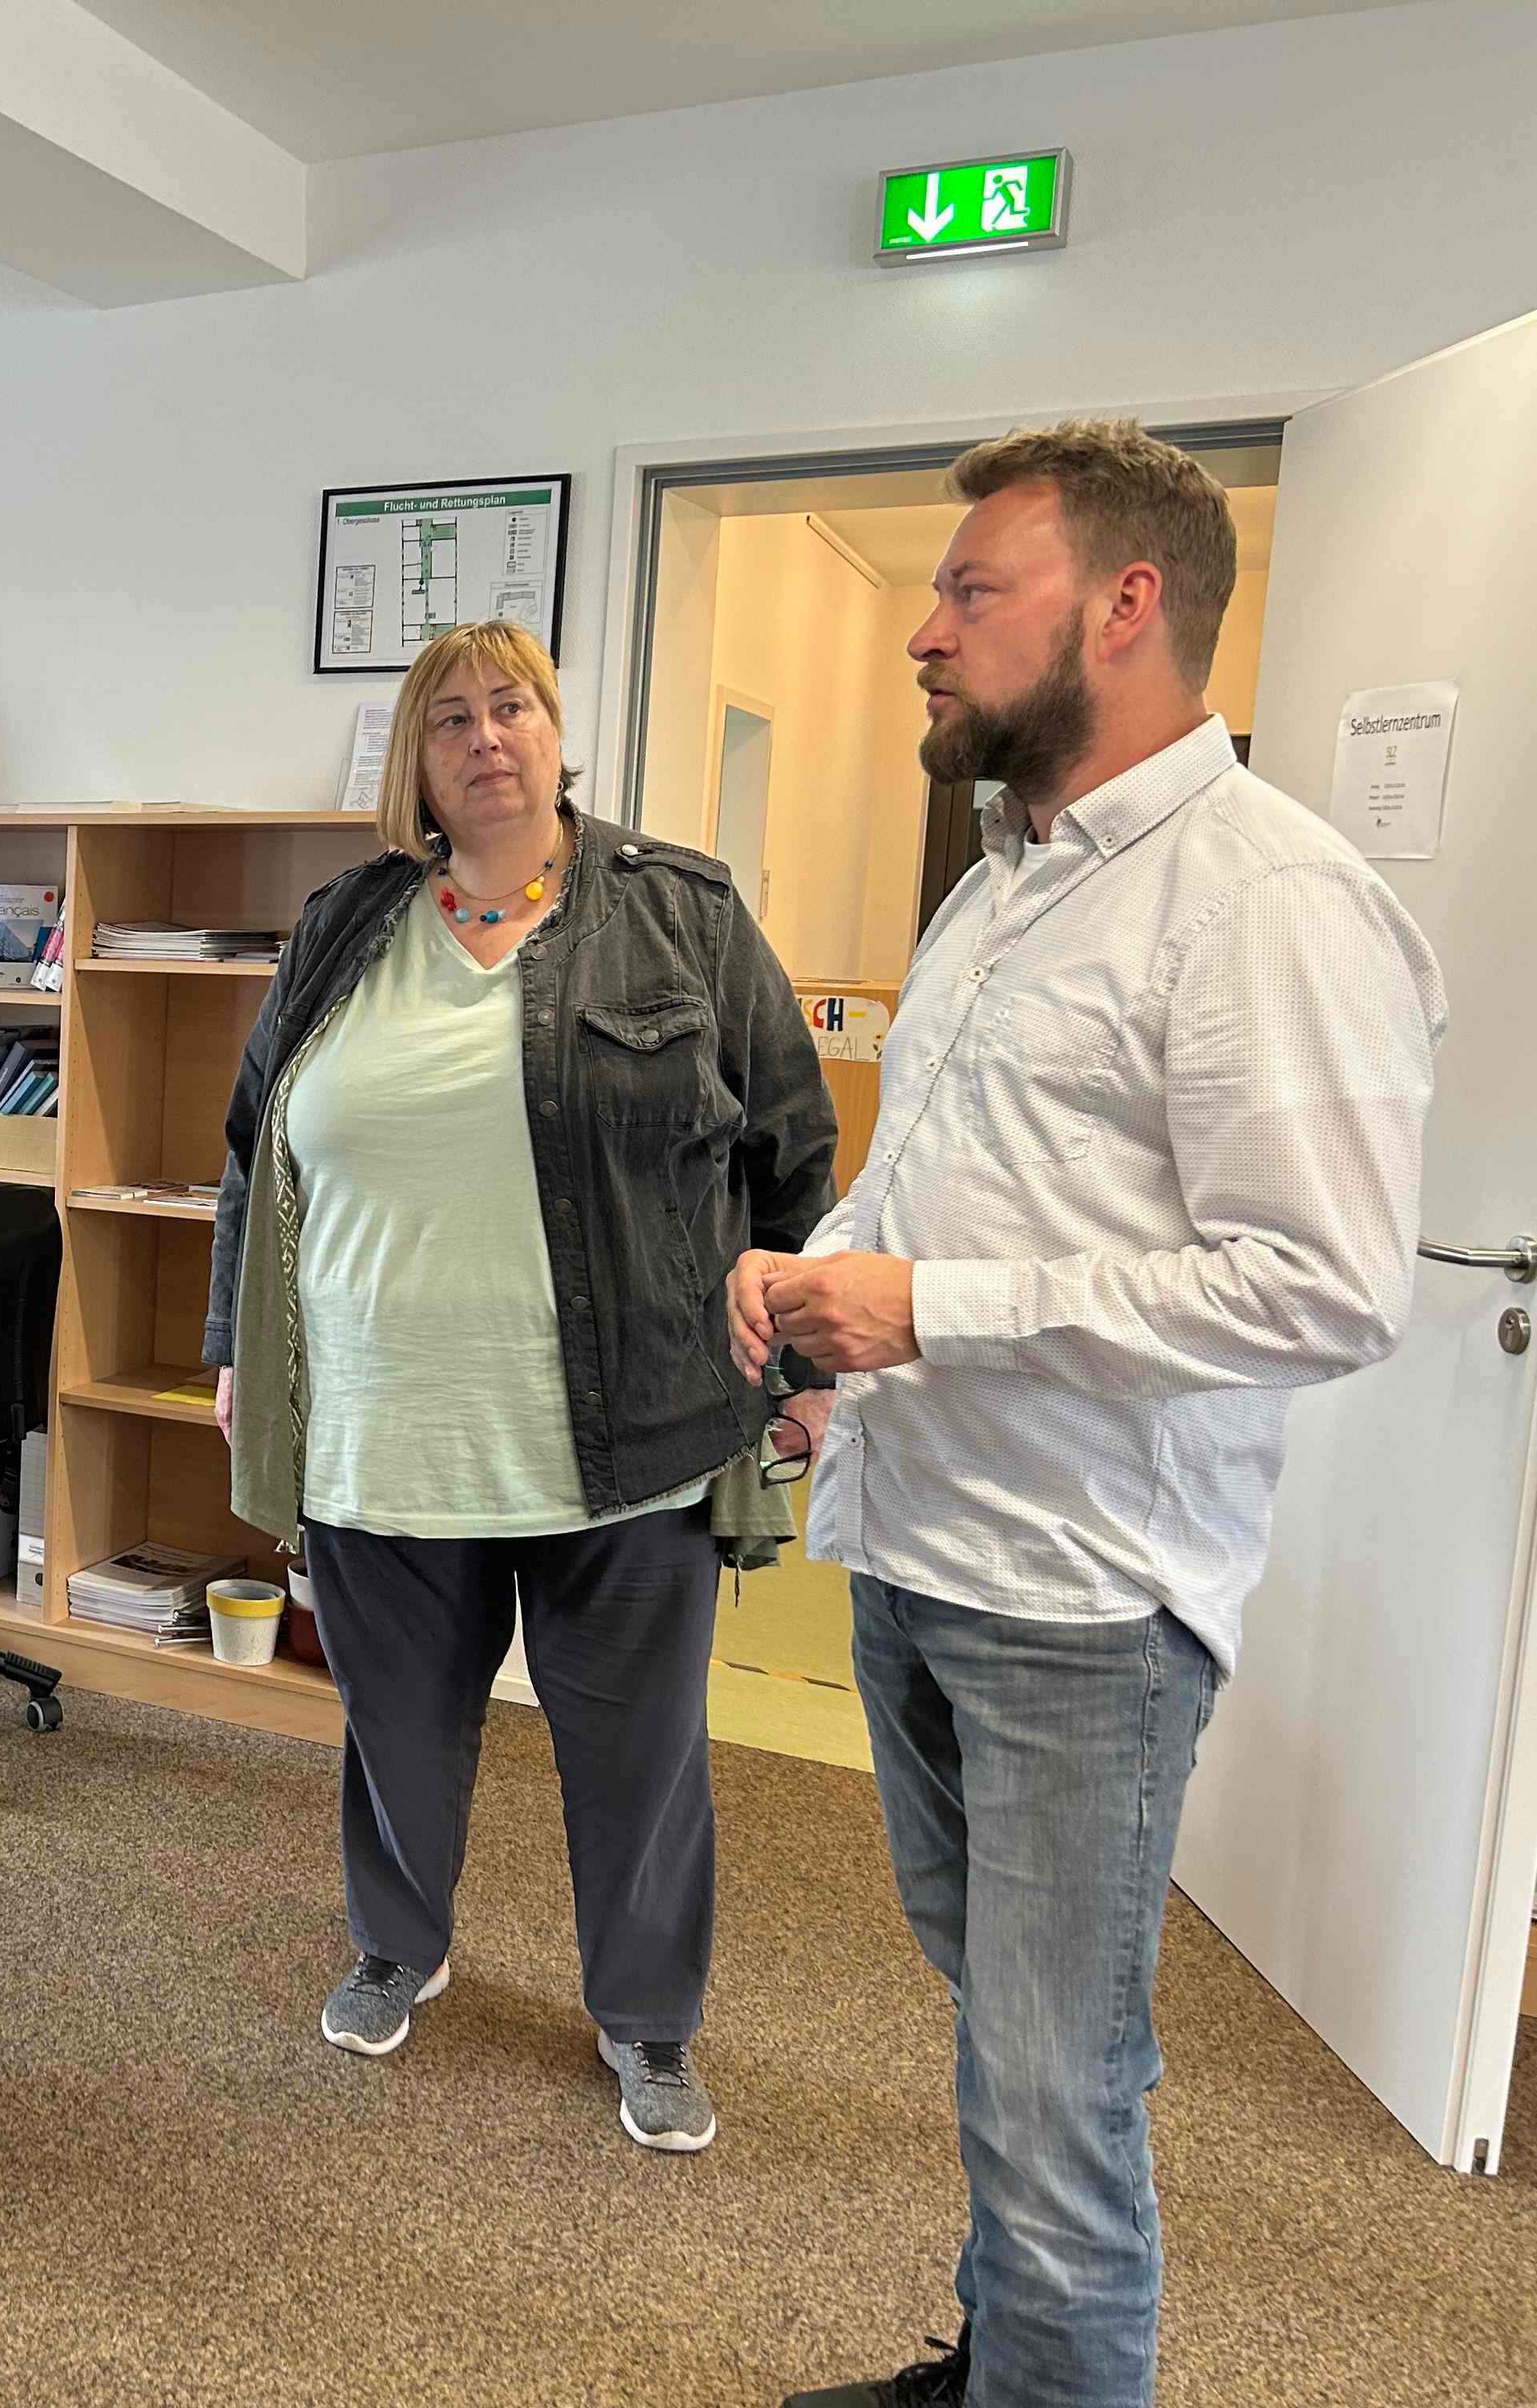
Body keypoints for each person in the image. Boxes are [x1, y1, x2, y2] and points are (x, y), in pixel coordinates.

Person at [734, 423, 1445, 2408]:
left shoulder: (1267, 901)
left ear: (1127, 604)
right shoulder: (1002, 887)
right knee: (1008, 2041)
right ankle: (1008, 2368)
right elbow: (939, 1184)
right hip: (920, 1546)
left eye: (974, 591)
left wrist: (925, 1309)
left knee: (1061, 2087)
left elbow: (1322, 1284)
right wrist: (817, 1275)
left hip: (1085, 1602)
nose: (926, 636)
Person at [203, 620, 836, 2152]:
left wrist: (800, 1371)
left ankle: (648, 2020)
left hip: (630, 1432)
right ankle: (395, 1945)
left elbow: (793, 1159)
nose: (488, 738)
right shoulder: (343, 924)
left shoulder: (678, 915)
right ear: (416, 765)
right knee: (397, 1732)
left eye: (515, 708)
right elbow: (250, 1157)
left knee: (640, 1754)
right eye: (452, 720)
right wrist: (238, 1353)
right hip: (378, 1422)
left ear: (558, 736)